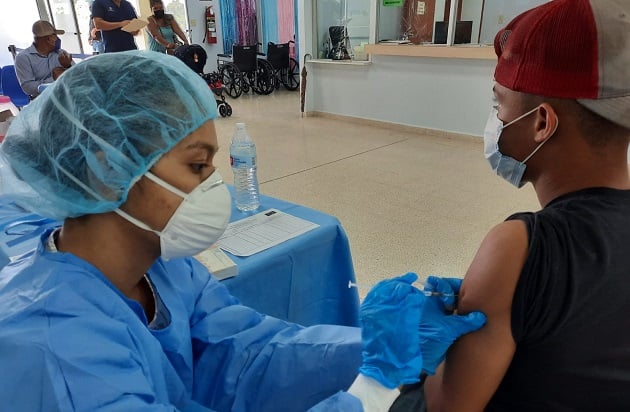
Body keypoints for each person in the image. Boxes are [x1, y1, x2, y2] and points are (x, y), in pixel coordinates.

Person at [0, 50, 485, 411]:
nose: (215, 188)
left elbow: (245, 356)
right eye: (196, 166)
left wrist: (374, 345)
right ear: (108, 167)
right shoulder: (50, 349)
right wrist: (372, 387)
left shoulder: (167, 271)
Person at [391, 0, 630, 410]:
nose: (495, 121)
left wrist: (407, 357)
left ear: (541, 122)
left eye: (498, 104)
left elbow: (446, 407)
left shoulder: (520, 246)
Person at [14, 20, 73, 98]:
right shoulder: (23, 58)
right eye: (55, 35)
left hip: (66, 96)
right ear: (48, 39)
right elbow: (27, 88)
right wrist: (54, 79)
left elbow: (78, 75)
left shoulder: (61, 53)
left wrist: (68, 67)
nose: (58, 39)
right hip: (42, 101)